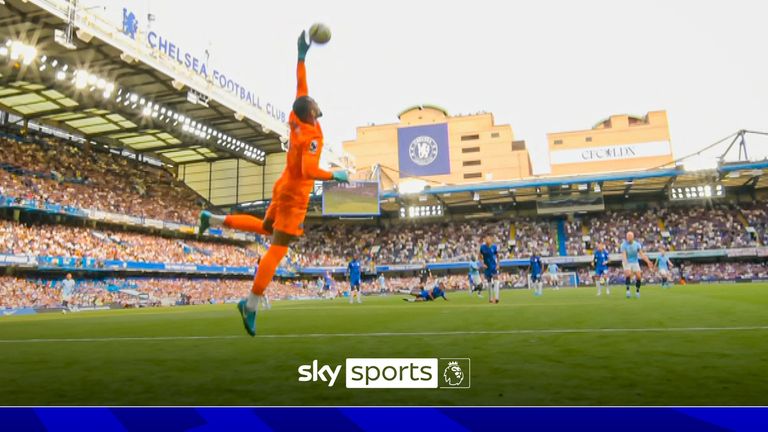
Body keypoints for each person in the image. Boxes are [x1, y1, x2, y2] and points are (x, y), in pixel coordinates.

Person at [196, 30, 349, 336]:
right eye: (316, 105)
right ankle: (250, 305)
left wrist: (302, 56)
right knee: (278, 249)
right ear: (312, 112)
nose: (318, 103)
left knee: (266, 229)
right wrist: (335, 175)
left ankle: (212, 218)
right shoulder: (312, 136)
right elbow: (308, 170)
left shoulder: (298, 118)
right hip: (295, 195)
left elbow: (301, 87)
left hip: (282, 186)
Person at [620, 231, 654, 299]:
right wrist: (625, 261)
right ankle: (628, 290)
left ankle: (637, 291)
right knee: (628, 274)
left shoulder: (637, 245)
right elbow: (623, 254)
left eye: (630, 236)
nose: (628, 237)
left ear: (633, 237)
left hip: (635, 262)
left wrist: (648, 261)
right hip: (627, 261)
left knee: (639, 276)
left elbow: (642, 255)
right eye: (627, 236)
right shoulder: (623, 245)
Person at [480, 236, 500, 303]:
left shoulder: (494, 247)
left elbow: (498, 256)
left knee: (496, 280)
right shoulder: (482, 247)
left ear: (491, 240)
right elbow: (479, 256)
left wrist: (498, 264)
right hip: (487, 267)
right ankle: (490, 298)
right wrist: (482, 264)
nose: (488, 240)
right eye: (486, 239)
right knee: (489, 282)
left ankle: (497, 298)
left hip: (493, 266)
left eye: (489, 239)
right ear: (485, 240)